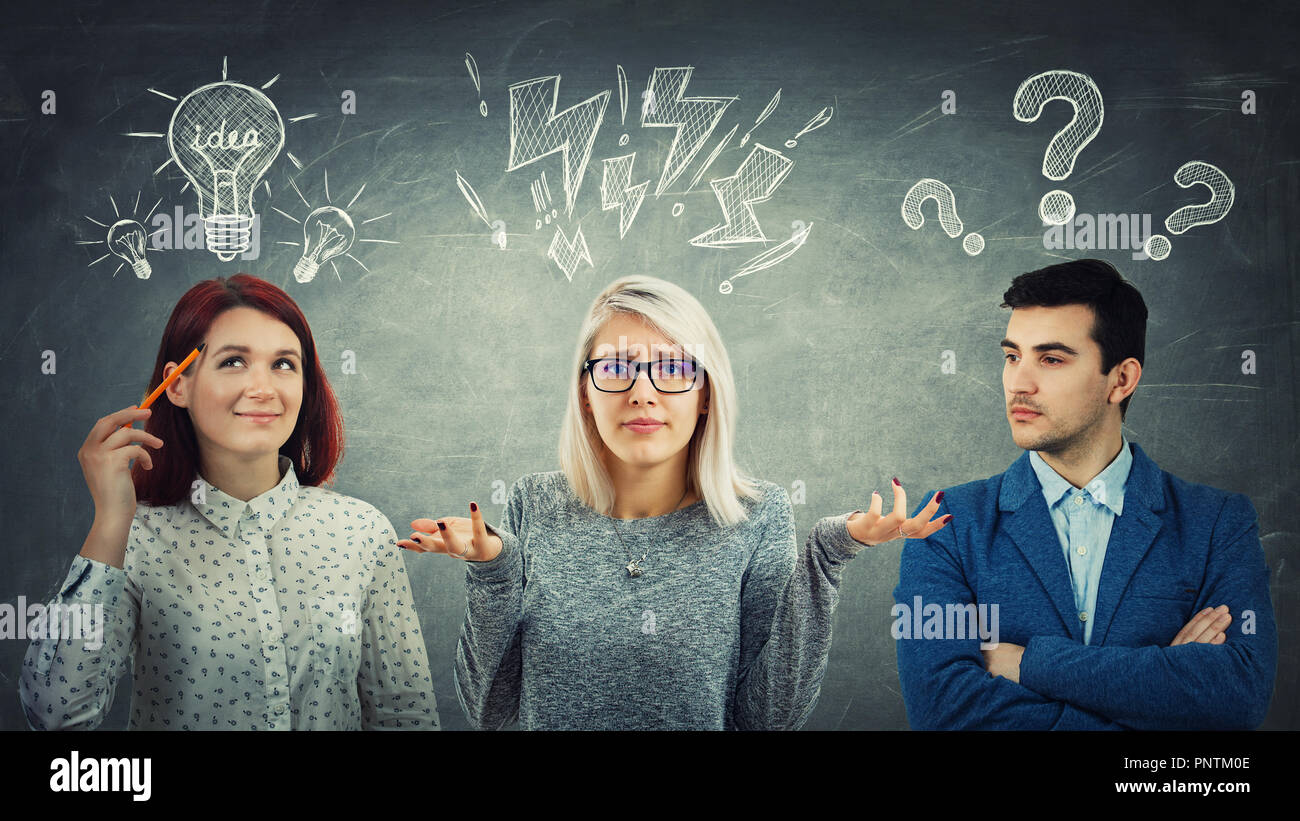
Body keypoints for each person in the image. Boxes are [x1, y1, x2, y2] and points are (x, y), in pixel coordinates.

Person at [399, 274, 950, 730]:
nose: (643, 392)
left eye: (673, 368)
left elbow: (765, 718)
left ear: (707, 392)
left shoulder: (758, 517)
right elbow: (491, 712)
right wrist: (495, 571)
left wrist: (829, 554)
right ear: (585, 393)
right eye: (615, 368)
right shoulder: (533, 504)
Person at [20, 273, 438, 730]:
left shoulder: (362, 532)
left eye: (284, 364)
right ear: (177, 384)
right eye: (234, 361)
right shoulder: (135, 539)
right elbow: (56, 715)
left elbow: (405, 714)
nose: (263, 388)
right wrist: (110, 522)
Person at [894, 258, 1277, 730]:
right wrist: (1160, 693)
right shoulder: (943, 524)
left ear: (1121, 379)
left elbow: (1236, 699)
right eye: (1012, 356)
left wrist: (1028, 664)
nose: (1019, 382)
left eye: (1051, 359)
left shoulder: (1217, 522)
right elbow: (944, 712)